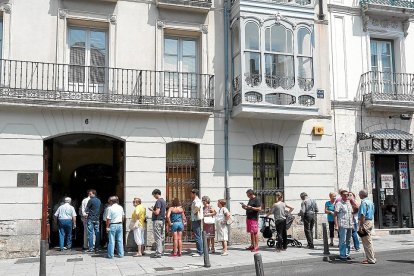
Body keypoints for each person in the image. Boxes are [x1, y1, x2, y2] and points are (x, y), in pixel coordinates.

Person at [334, 190, 354, 261]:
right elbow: (335, 215)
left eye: (347, 195)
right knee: (343, 240)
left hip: (349, 224)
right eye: (344, 195)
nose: (346, 196)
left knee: (348, 240)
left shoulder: (349, 203)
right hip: (342, 224)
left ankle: (347, 254)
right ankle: (342, 255)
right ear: (341, 195)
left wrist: (352, 223)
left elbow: (351, 214)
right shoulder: (339, 203)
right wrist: (336, 225)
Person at [358, 189, 376, 264]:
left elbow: (363, 215)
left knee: (366, 241)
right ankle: (371, 257)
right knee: (368, 241)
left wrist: (361, 225)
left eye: (359, 194)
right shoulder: (370, 202)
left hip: (365, 222)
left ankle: (370, 259)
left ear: (362, 195)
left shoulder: (364, 202)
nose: (358, 195)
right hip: (370, 221)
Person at [149, 189, 166, 258]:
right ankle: (161, 251)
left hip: (157, 220)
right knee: (161, 237)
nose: (154, 196)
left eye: (154, 195)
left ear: (156, 194)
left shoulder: (158, 201)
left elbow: (157, 212)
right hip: (162, 220)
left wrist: (152, 210)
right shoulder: (163, 201)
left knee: (158, 237)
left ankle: (158, 253)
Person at [190, 189, 204, 257]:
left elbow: (197, 208)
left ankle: (200, 252)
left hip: (196, 219)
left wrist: (193, 212)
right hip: (195, 219)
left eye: (191, 193)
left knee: (198, 236)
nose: (190, 194)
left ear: (194, 193)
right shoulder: (196, 200)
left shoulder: (197, 200)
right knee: (197, 235)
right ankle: (200, 250)